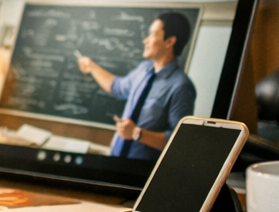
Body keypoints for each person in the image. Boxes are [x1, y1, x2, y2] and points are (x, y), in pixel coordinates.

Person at [75, 12, 196, 160]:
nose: (145, 41)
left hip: (141, 171)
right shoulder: (143, 70)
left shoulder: (181, 86)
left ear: (170, 41)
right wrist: (91, 66)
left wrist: (136, 133)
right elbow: (117, 87)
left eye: (152, 34)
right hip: (115, 157)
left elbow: (179, 143)